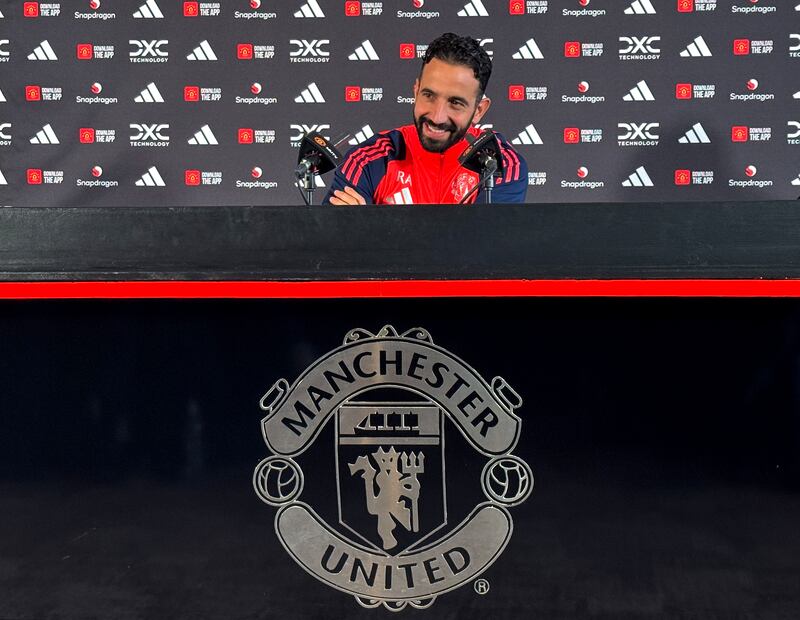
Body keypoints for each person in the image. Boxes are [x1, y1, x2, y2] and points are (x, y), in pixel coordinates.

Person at [323, 33, 528, 205]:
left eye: (455, 103)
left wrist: (370, 227)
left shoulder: (500, 164)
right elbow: (334, 245)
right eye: (429, 96)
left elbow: (487, 246)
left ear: (479, 110)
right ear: (416, 90)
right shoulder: (367, 159)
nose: (437, 117)